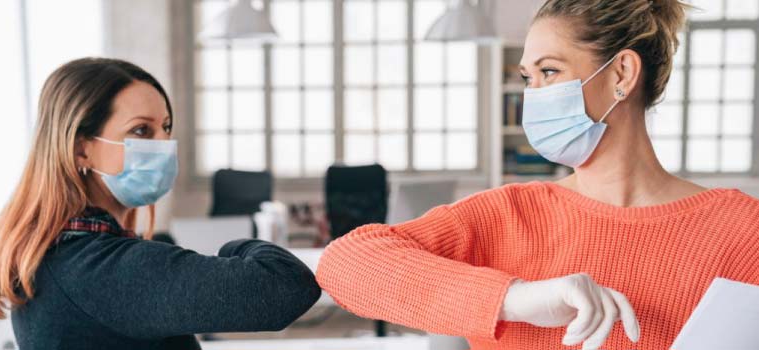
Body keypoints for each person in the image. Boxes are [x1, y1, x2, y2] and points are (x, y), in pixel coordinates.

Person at [317, 1, 759, 349]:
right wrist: (515, 298)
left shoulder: (743, 232)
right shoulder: (504, 215)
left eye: (550, 71)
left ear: (621, 73)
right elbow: (344, 265)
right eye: (529, 78)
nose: (535, 95)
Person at [0, 57, 321, 350]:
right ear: (82, 149)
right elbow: (286, 286)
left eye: (166, 127)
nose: (165, 144)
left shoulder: (54, 255)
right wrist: (237, 246)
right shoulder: (103, 269)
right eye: (142, 131)